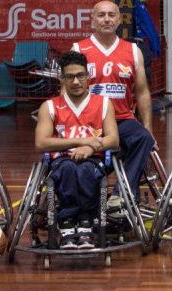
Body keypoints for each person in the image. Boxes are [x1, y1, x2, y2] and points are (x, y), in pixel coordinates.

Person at [35, 50, 119, 250]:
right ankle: (67, 224)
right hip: (61, 162)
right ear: (62, 79)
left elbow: (114, 139)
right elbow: (41, 143)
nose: (75, 81)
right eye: (70, 77)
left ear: (88, 77)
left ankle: (84, 223)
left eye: (80, 75)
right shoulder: (50, 107)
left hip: (93, 160)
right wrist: (81, 142)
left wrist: (89, 148)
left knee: (84, 170)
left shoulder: (104, 103)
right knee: (69, 169)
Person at [74, 0, 156, 203]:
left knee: (143, 138)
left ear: (119, 20)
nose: (106, 19)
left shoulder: (133, 51)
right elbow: (67, 93)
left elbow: (143, 92)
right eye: (101, 15)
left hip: (122, 120)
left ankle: (120, 196)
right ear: (92, 20)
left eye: (111, 15)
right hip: (90, 122)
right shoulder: (79, 50)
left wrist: (148, 127)